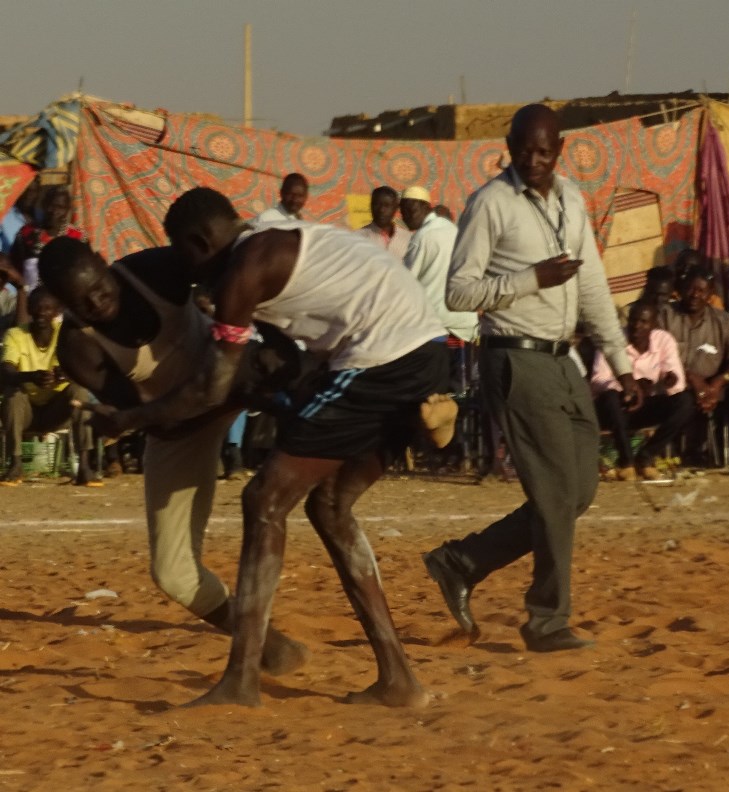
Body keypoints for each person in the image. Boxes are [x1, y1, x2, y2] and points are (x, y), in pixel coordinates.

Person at [120, 186, 457, 708]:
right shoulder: (284, 239)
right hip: (426, 351)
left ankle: (241, 679)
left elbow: (213, 384)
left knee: (265, 500)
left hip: (381, 359)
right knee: (330, 507)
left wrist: (133, 418)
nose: (190, 276)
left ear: (198, 240)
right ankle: (399, 681)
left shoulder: (244, 270)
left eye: (187, 258)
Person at [36, 237, 309, 675]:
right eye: (82, 303)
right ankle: (264, 640)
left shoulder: (154, 269)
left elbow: (235, 276)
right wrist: (211, 398)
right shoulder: (79, 347)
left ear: (107, 264)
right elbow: (154, 421)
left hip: (236, 369)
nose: (99, 304)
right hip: (182, 425)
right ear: (63, 304)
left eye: (102, 288)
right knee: (171, 572)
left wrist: (259, 338)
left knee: (328, 488)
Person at [421, 104, 638, 653]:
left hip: (563, 359)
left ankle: (462, 562)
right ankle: (547, 621)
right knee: (554, 495)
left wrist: (621, 361)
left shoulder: (571, 198)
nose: (534, 161)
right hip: (514, 357)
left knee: (578, 491)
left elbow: (590, 288)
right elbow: (460, 292)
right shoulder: (491, 202)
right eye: (524, 150)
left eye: (544, 152)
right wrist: (529, 279)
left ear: (558, 151)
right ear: (510, 145)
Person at [658, 264, 729, 474]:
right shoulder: (667, 316)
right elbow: (659, 358)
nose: (695, 295)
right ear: (681, 289)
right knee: (684, 398)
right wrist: (694, 380)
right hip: (679, 385)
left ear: (710, 294)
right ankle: (692, 453)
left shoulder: (722, 320)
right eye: (691, 289)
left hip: (717, 385)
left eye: (701, 290)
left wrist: (717, 383)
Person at [0, 286, 97, 486]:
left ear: (57, 311)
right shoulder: (15, 335)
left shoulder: (67, 334)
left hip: (57, 410)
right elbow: (6, 370)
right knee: (13, 394)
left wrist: (69, 373)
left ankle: (85, 467)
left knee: (78, 391)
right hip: (26, 412)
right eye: (36, 308)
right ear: (29, 308)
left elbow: (86, 365)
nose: (41, 314)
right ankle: (15, 464)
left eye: (47, 308)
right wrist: (29, 376)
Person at [591, 300, 696, 481]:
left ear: (654, 325)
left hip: (646, 404)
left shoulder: (664, 340)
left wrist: (670, 380)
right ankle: (626, 462)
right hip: (615, 407)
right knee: (610, 398)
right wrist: (628, 387)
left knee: (685, 402)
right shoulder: (614, 340)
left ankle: (646, 456)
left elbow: (676, 379)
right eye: (633, 321)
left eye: (643, 322)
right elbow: (598, 379)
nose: (636, 326)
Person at [400, 185, 478, 344]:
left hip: (436, 325)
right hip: (465, 324)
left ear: (426, 207)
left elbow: (405, 283)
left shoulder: (422, 237)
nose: (406, 216)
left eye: (410, 210)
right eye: (403, 212)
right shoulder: (453, 230)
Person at [10, 187, 83, 291]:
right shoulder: (26, 233)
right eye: (51, 205)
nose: (54, 211)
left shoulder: (78, 237)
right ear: (44, 205)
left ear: (67, 210)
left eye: (60, 207)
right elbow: (14, 267)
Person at [357, 186, 411, 260]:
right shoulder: (358, 238)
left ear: (395, 208)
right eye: (376, 204)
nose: (381, 210)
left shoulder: (408, 239)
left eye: (387, 205)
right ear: (371, 206)